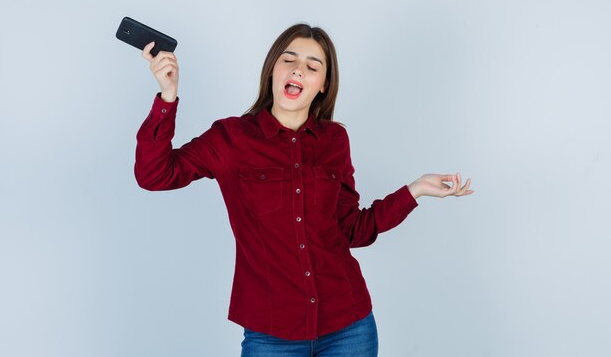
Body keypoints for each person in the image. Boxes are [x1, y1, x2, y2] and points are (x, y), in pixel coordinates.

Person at [134, 23, 474, 357]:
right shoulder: (231, 138)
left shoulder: (335, 140)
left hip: (349, 328)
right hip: (270, 336)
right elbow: (154, 174)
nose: (298, 69)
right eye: (289, 60)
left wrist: (414, 191)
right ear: (272, 70)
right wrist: (168, 97)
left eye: (313, 66)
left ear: (323, 85)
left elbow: (353, 230)